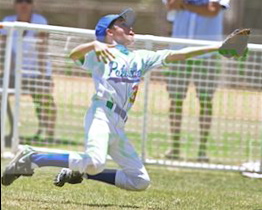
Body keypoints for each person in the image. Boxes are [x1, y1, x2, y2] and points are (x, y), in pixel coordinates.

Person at [1, 8, 222, 190]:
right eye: (123, 25)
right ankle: (33, 157)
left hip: (118, 124)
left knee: (140, 181)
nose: (130, 27)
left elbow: (179, 54)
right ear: (109, 32)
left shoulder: (140, 57)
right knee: (96, 162)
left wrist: (220, 47)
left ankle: (80, 173)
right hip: (101, 114)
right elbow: (73, 55)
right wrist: (94, 44)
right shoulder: (101, 52)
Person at [163, 0, 230, 161]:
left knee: (206, 101)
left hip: (207, 54)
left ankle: (202, 150)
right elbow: (171, 5)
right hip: (179, 52)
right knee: (176, 100)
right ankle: (175, 148)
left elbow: (212, 10)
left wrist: (185, 6)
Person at [0, 0, 57, 145]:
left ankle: (49, 136)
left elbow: (42, 51)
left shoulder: (40, 21)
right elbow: (2, 48)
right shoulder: (8, 21)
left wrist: (44, 77)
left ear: (33, 5)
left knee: (44, 101)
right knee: (2, 94)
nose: (24, 4)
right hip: (14, 72)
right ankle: (12, 130)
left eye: (28, 1)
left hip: (37, 72)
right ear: (14, 5)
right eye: (19, 1)